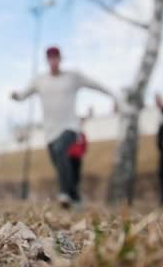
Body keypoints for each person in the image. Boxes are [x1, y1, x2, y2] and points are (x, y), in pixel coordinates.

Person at [11, 46, 117, 208]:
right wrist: (16, 96)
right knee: (60, 165)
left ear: (60, 59)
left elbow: (94, 84)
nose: (53, 61)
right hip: (50, 132)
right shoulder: (40, 80)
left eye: (56, 57)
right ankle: (75, 198)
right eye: (50, 58)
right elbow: (24, 94)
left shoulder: (72, 77)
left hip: (70, 127)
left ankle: (64, 193)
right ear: (47, 60)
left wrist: (112, 94)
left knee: (62, 150)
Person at [67, 118, 88, 202]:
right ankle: (69, 192)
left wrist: (82, 153)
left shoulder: (82, 134)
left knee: (77, 176)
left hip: (78, 157)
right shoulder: (71, 134)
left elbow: (84, 145)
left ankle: (75, 192)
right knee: (70, 174)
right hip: (70, 156)